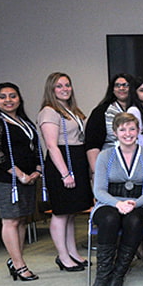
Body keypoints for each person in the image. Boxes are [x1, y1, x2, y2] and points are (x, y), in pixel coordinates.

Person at [89, 112, 143, 286]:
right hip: (109, 202)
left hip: (138, 203)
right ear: (115, 132)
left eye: (132, 129)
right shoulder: (104, 156)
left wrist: (134, 203)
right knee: (110, 218)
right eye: (122, 129)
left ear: (139, 131)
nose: (128, 133)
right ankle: (102, 277)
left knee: (134, 220)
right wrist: (118, 203)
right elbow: (99, 191)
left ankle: (118, 275)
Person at [0, 83, 45, 282]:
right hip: (5, 179)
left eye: (12, 96)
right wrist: (19, 174)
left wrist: (37, 170)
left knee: (21, 219)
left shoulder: (24, 121)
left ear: (19, 99)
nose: (8, 100)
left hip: (27, 178)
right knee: (10, 220)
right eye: (3, 97)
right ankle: (19, 265)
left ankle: (15, 260)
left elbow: (35, 149)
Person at [37, 72, 92, 272]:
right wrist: (65, 174)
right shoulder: (49, 111)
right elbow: (52, 146)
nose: (64, 89)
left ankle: (73, 253)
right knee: (60, 213)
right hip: (62, 164)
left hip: (76, 160)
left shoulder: (71, 110)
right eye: (59, 86)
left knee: (70, 213)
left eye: (67, 85)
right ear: (51, 90)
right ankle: (62, 256)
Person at [85, 73, 135, 172]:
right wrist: (97, 173)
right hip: (111, 165)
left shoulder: (140, 110)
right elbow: (92, 144)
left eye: (125, 85)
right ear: (112, 89)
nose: (121, 88)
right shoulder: (101, 112)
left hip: (137, 164)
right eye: (117, 85)